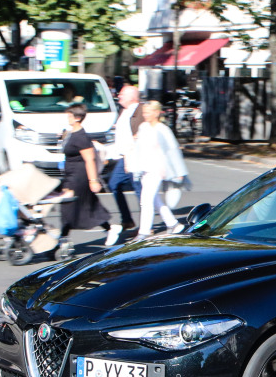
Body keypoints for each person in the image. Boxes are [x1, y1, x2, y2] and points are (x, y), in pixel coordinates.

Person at [56, 103, 120, 251]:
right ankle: (109, 228)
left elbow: (89, 159)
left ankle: (62, 240)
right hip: (71, 174)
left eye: (70, 116)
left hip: (79, 176)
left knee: (72, 206)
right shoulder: (72, 133)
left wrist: (93, 180)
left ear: (77, 118)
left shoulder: (82, 137)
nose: (67, 118)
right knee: (85, 205)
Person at [130, 101, 189, 235]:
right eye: (144, 112)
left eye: (148, 112)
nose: (145, 115)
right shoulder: (143, 127)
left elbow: (172, 150)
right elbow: (139, 148)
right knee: (154, 199)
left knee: (146, 200)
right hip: (145, 169)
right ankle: (173, 224)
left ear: (156, 113)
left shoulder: (162, 129)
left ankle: (144, 231)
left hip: (158, 169)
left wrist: (178, 172)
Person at [107, 83, 143, 232]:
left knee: (140, 190)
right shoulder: (124, 111)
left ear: (132, 97)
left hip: (135, 157)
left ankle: (148, 224)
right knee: (114, 184)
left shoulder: (140, 111)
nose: (119, 96)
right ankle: (127, 219)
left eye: (122, 93)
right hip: (124, 157)